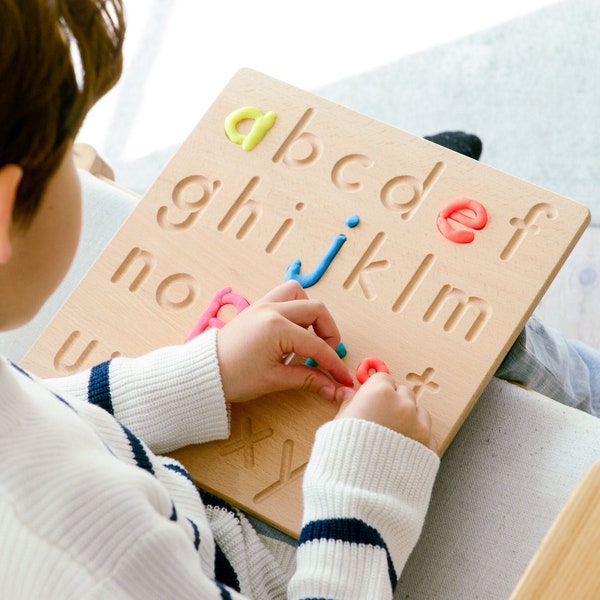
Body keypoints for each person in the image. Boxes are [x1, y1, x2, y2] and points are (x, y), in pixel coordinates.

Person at [0, 2, 440, 598]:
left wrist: (199, 376)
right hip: (276, 573)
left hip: (187, 514)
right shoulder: (90, 557)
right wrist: (363, 489)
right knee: (514, 354)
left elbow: (34, 410)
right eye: (67, 149)